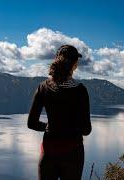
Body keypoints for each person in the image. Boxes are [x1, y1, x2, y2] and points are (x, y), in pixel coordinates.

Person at [27, 45, 92, 180]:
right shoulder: (80, 91)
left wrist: (48, 126)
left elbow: (31, 123)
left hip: (49, 152)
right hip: (73, 153)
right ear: (75, 65)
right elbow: (86, 130)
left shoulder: (43, 87)